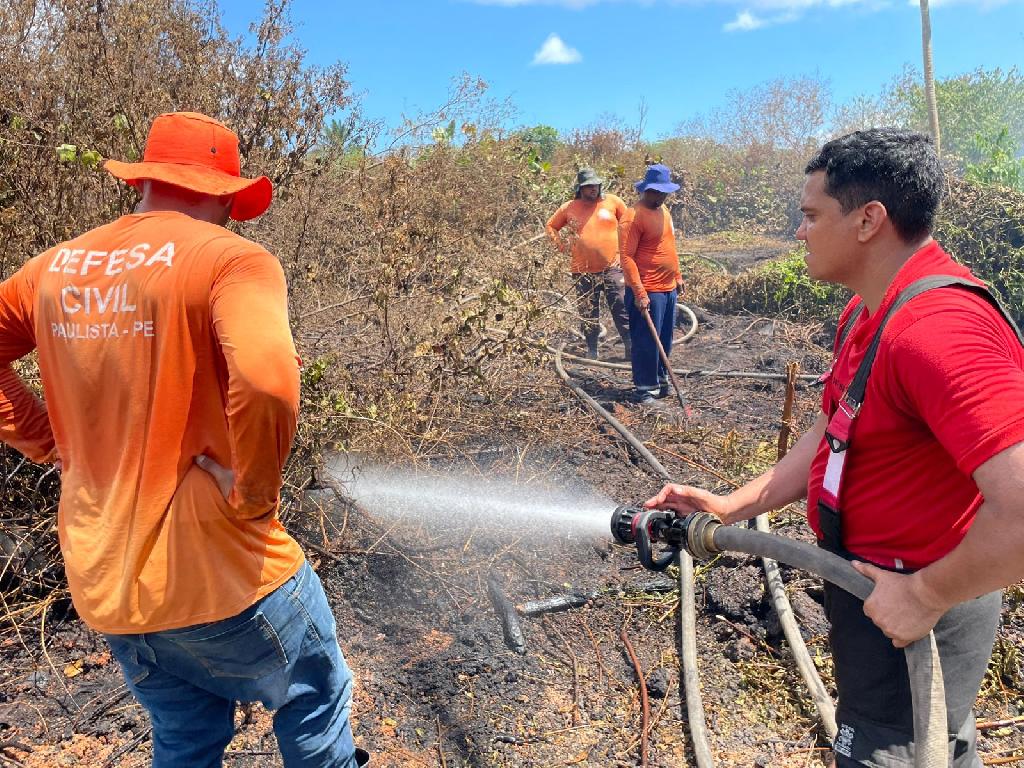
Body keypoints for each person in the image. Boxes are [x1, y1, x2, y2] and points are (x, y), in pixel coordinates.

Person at [645, 128, 1024, 767]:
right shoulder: (870, 310)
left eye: (812, 214)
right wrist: (734, 504)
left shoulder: (940, 333)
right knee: (941, 746)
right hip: (874, 592)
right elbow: (838, 424)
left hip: (916, 604)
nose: (800, 231)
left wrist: (928, 593)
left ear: (869, 221)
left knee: (897, 752)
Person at [0, 112, 367, 768]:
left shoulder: (52, 270)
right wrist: (255, 495)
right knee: (318, 692)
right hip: (221, 574)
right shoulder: (231, 259)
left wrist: (46, 441)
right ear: (223, 195)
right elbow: (266, 382)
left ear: (147, 182)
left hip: (107, 584)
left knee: (186, 738)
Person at [546, 167, 631, 360]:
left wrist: (626, 252)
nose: (593, 189)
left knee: (621, 305)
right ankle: (592, 349)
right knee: (587, 311)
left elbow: (629, 225)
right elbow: (551, 226)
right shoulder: (569, 207)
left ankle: (630, 347)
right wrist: (560, 246)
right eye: (588, 186)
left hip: (612, 267)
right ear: (581, 188)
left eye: (596, 185)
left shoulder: (613, 202)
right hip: (582, 271)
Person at [620, 163, 684, 404]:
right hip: (648, 288)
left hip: (667, 289)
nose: (663, 196)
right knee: (646, 340)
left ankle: (660, 380)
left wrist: (677, 276)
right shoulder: (632, 217)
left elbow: (668, 246)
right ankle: (645, 389)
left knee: (664, 338)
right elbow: (626, 257)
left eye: (665, 192)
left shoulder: (664, 212)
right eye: (658, 191)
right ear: (647, 190)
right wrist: (639, 291)